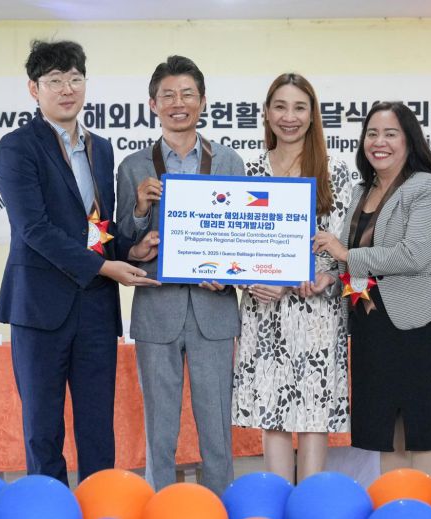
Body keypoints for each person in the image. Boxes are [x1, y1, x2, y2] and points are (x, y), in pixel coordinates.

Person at [0, 40, 160, 485]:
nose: (67, 89)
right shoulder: (17, 147)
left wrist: (129, 251)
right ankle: (48, 507)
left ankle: (100, 502)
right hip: (39, 308)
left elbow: (96, 226)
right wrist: (106, 268)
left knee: (97, 425)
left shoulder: (100, 148)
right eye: (54, 81)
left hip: (96, 308)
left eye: (75, 78)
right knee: (43, 428)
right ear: (34, 89)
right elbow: (34, 229)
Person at [115, 55, 245, 496]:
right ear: (152, 104)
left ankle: (220, 506)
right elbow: (120, 244)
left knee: (217, 429)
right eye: (168, 95)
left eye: (187, 94)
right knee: (159, 429)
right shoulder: (133, 166)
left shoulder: (229, 162)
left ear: (203, 101)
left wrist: (229, 275)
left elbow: (242, 239)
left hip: (214, 309)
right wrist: (139, 211)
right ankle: (160, 505)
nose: (178, 103)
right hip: (157, 309)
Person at [313, 101, 431, 480]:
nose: (379, 142)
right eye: (372, 133)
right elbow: (354, 259)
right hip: (371, 326)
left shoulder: (428, 188)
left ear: (409, 141)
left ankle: (424, 503)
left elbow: (414, 254)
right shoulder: (361, 191)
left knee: (422, 431)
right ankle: (394, 502)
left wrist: (345, 254)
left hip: (418, 325)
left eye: (390, 134)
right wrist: (332, 276)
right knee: (385, 432)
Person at [231, 73, 352, 484]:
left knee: (314, 414)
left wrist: (324, 276)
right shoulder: (248, 171)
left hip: (316, 312)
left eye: (300, 107)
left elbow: (345, 246)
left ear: (313, 115)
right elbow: (233, 245)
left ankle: (312, 504)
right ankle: (280, 500)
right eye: (280, 107)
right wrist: (249, 280)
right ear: (266, 113)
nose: (289, 117)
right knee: (273, 410)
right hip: (265, 310)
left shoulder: (336, 173)